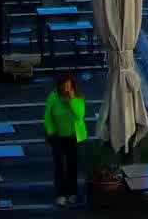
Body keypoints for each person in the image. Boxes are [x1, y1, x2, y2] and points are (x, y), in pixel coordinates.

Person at [43, 74, 87, 206]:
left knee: (72, 165)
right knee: (59, 166)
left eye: (69, 85)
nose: (66, 88)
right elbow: (47, 115)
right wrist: (50, 133)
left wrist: (71, 101)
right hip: (58, 136)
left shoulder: (78, 98)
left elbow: (80, 115)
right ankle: (60, 193)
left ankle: (73, 192)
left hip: (74, 136)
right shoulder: (53, 96)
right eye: (64, 85)